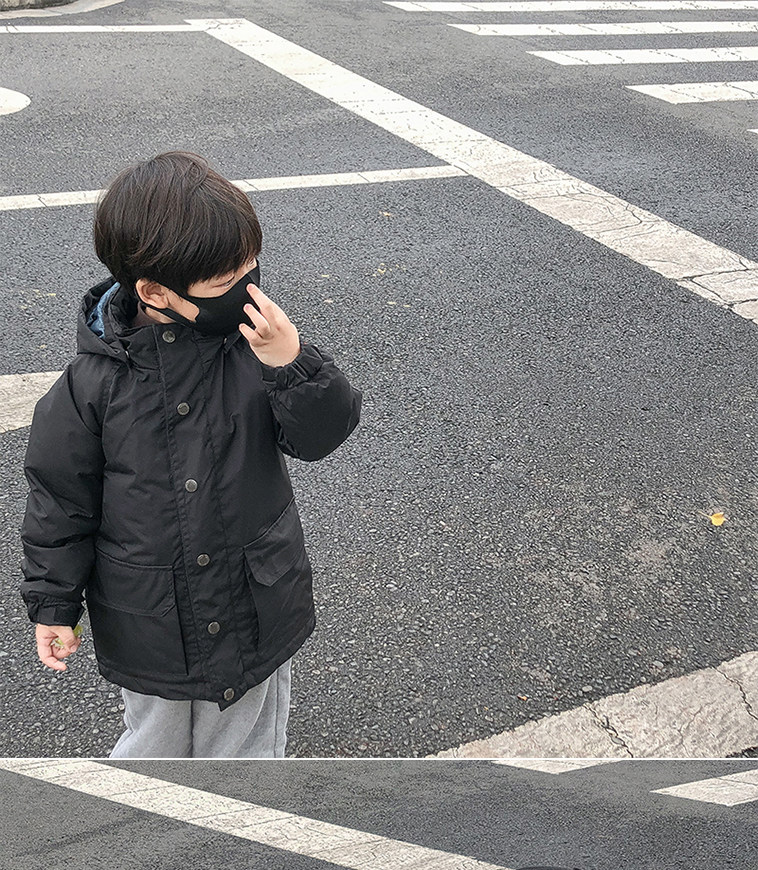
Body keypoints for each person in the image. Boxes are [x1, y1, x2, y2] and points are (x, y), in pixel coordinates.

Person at [19, 151, 362, 758]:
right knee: (153, 750)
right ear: (154, 291)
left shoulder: (255, 348)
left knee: (248, 752)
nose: (248, 290)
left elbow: (320, 438)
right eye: (227, 284)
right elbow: (60, 501)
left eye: (252, 269)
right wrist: (53, 603)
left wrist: (292, 363)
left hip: (255, 600)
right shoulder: (91, 385)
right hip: (152, 620)